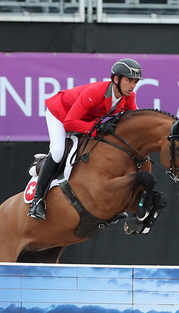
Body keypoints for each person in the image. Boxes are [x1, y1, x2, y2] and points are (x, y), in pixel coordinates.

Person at [27, 58, 143, 221]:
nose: (132, 86)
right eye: (129, 80)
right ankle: (37, 201)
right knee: (59, 151)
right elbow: (69, 123)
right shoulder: (95, 92)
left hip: (83, 120)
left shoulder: (128, 97)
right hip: (60, 115)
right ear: (116, 79)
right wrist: (97, 127)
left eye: (135, 82)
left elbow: (134, 121)